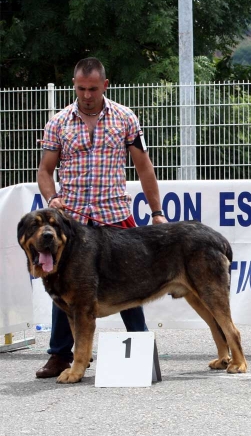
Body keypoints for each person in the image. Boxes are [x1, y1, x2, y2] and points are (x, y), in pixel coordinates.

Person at [35, 57, 168, 378]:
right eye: (81, 88)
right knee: (63, 288)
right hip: (73, 221)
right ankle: (59, 356)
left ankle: (141, 350)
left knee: (130, 284)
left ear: (105, 85)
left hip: (115, 215)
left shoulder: (125, 118)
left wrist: (157, 212)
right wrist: (52, 198)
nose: (87, 94)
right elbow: (44, 171)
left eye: (93, 88)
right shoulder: (58, 122)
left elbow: (144, 167)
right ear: (74, 85)